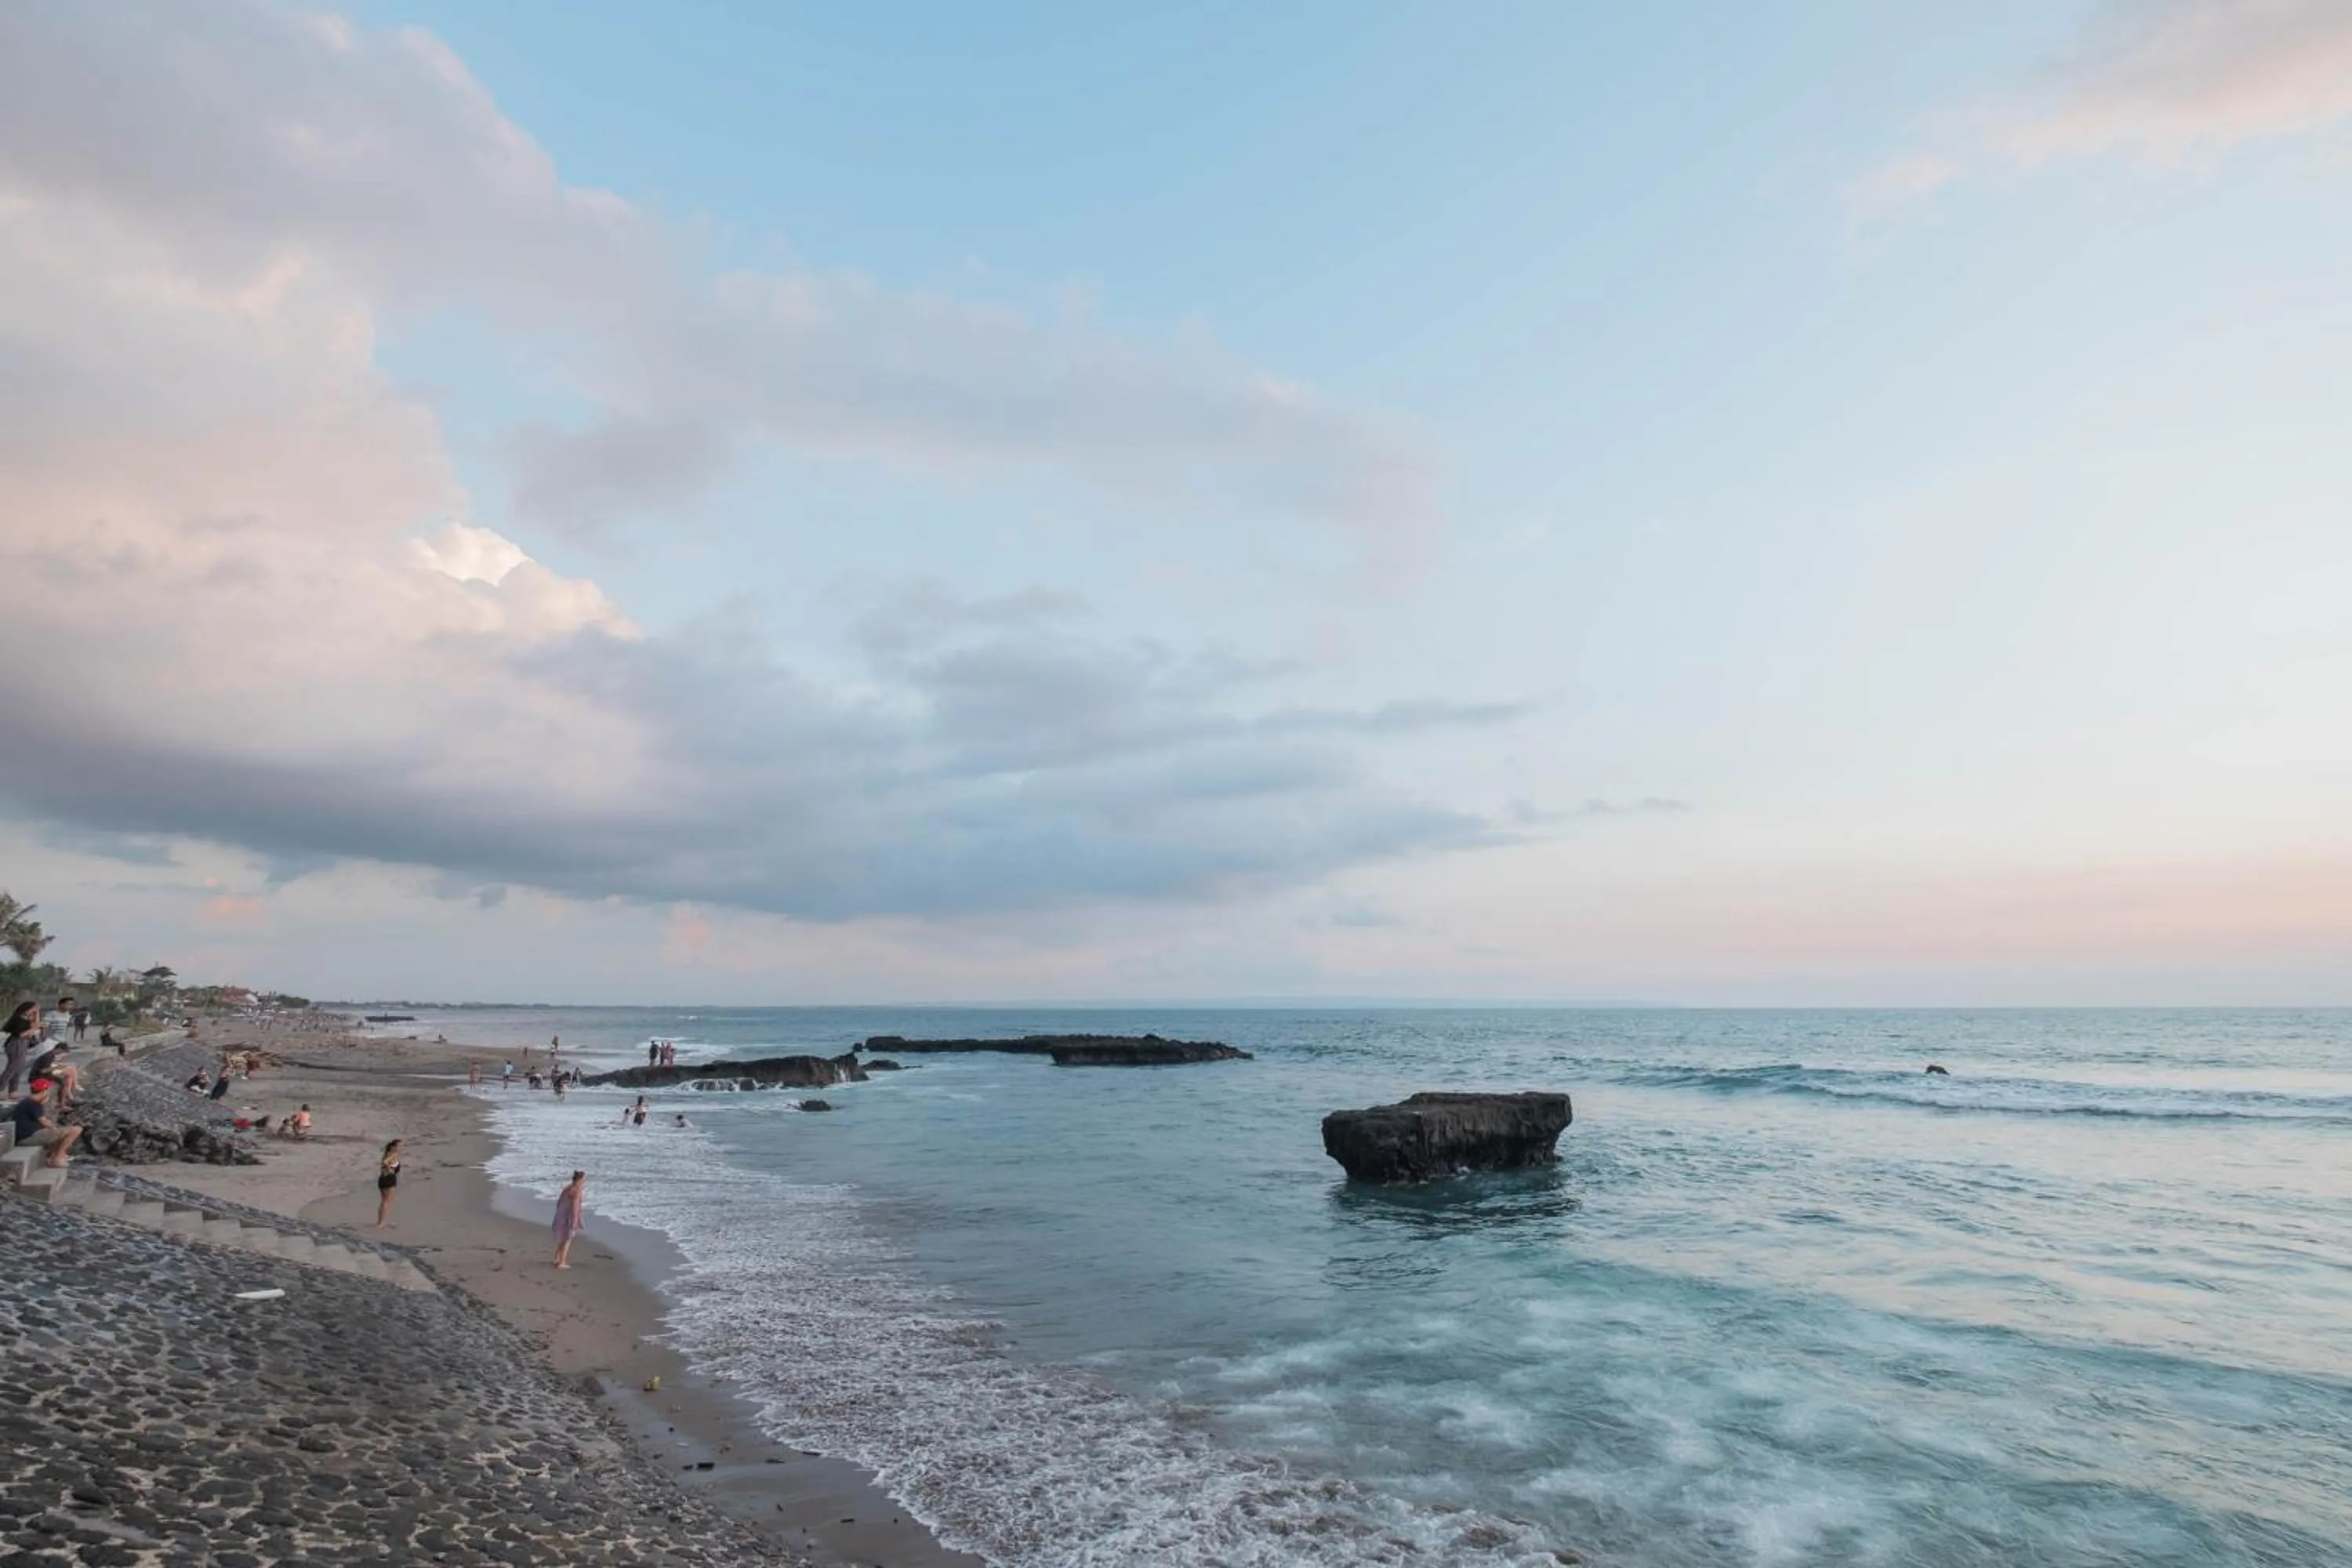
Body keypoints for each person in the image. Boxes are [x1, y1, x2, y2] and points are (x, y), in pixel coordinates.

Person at [7, 1079, 82, 1170]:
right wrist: (56, 1129)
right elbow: (45, 1123)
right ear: (43, 1091)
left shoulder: (29, 1101)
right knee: (76, 1130)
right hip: (28, 1138)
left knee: (60, 1133)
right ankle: (57, 1159)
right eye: (47, 1090)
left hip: (28, 1135)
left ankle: (54, 1155)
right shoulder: (33, 1103)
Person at [24, 1040, 78, 1109]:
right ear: (59, 1049)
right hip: (38, 1077)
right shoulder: (48, 1056)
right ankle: (61, 1104)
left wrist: (59, 1066)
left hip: (42, 1075)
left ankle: (63, 1101)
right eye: (63, 1052)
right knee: (62, 1082)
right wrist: (56, 1067)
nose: (62, 1055)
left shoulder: (50, 1055)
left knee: (63, 1080)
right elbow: (43, 1071)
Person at [551, 1170, 586, 1269]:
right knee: (567, 1240)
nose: (584, 1182)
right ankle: (562, 1262)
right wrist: (576, 1221)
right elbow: (575, 1207)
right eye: (583, 1180)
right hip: (570, 1216)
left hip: (562, 1215)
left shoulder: (567, 1188)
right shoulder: (577, 1191)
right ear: (579, 1180)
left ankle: (557, 1258)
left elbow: (559, 1202)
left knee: (563, 1238)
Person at [2, 1001, 38, 1096]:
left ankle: (13, 1091)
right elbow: (21, 1034)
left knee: (19, 1068)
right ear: (27, 1009)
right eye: (33, 1009)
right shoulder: (19, 1020)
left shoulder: (25, 1019)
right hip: (16, 1044)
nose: (34, 1012)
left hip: (22, 1044)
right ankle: (1, 1089)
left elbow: (34, 1024)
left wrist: (37, 1015)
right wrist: (34, 1028)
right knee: (12, 1068)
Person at [375, 1140, 403, 1228]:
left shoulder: (387, 1154)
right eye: (399, 1146)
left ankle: (380, 1221)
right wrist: (390, 1169)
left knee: (384, 1201)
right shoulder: (393, 1155)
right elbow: (385, 1163)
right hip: (389, 1179)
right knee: (387, 1201)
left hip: (383, 1179)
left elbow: (383, 1163)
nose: (401, 1148)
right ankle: (381, 1223)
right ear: (394, 1147)